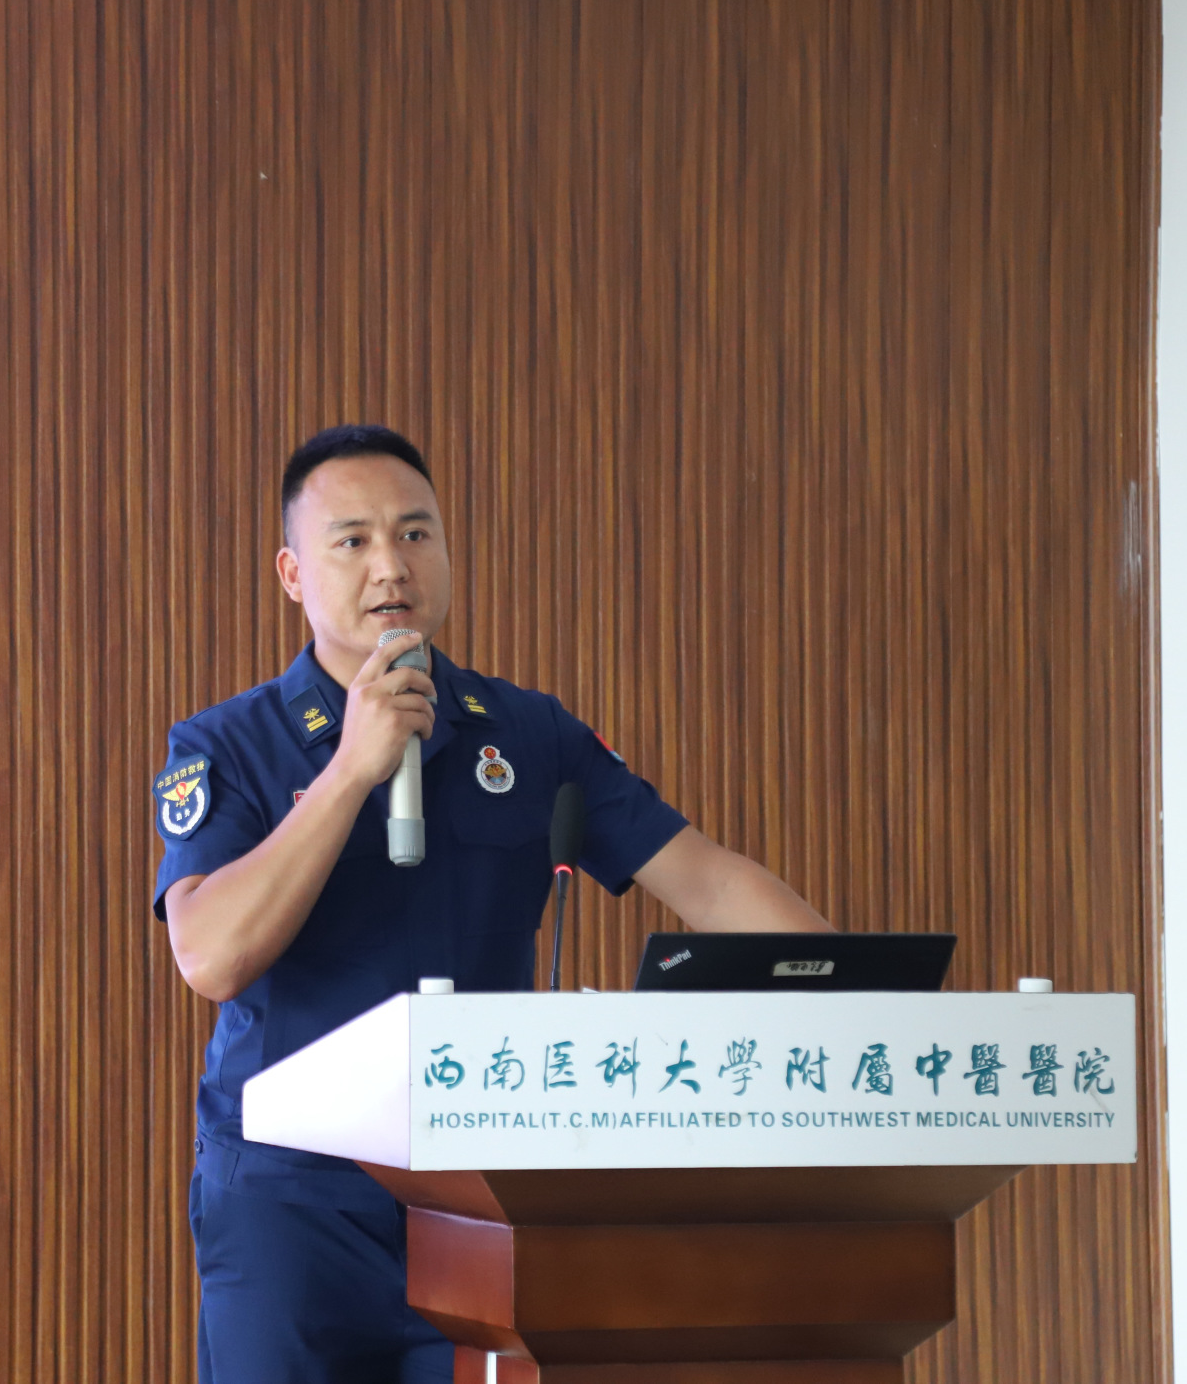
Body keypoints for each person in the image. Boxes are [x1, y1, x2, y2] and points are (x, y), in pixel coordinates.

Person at [152, 424, 831, 1384]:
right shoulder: (228, 744)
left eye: (415, 533)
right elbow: (211, 957)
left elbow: (708, 879)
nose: (391, 566)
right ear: (293, 574)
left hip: (480, 1194)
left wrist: (857, 989)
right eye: (353, 540)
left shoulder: (527, 732)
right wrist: (350, 770)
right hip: (291, 1204)